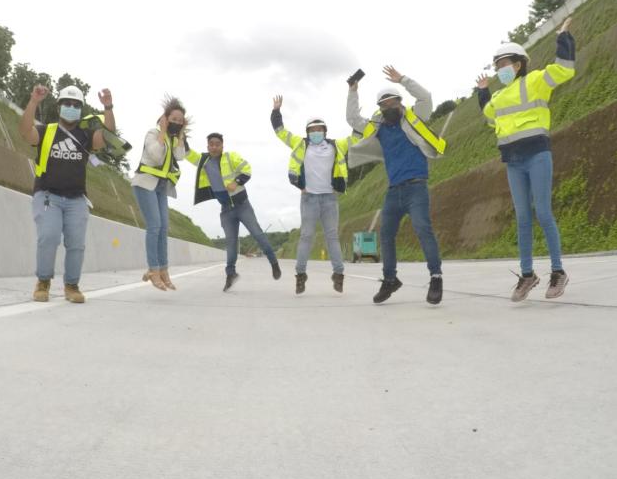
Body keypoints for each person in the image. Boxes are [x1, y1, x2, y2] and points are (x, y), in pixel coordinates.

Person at [476, 17, 577, 302]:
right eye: (497, 66)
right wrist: (483, 91)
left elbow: (564, 70)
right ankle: (528, 275)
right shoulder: (499, 96)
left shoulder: (535, 82)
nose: (500, 69)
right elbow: (488, 113)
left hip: (537, 155)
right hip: (513, 162)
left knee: (543, 213)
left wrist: (563, 37)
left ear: (519, 64)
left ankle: (558, 271)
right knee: (522, 218)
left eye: (504, 64)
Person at [347, 67, 446, 305]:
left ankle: (436, 277)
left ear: (400, 103)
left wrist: (402, 79)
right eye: (383, 105)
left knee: (423, 229)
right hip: (394, 191)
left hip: (416, 187)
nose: (388, 108)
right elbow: (353, 119)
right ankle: (390, 279)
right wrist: (352, 91)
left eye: (392, 103)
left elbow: (425, 97)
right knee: (386, 235)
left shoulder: (414, 118)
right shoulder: (378, 128)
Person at [19, 84, 115, 304]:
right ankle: (43, 281)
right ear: (59, 106)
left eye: (76, 105)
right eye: (67, 104)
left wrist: (108, 107)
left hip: (77, 199)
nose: (71, 107)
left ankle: (72, 286)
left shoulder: (86, 136)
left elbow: (108, 135)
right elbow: (25, 131)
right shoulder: (46, 131)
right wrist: (33, 102)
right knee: (49, 237)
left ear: (80, 109)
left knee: (77, 244)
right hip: (48, 196)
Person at [270, 95, 354, 295]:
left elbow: (358, 137)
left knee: (332, 237)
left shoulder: (336, 145)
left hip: (330, 198)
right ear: (308, 132)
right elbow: (280, 132)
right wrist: (276, 111)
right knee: (306, 236)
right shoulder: (300, 144)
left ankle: (339, 274)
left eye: (319, 129)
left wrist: (361, 117)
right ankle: (300, 276)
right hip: (309, 198)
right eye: (312, 130)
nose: (316, 132)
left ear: (325, 131)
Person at [186, 133, 282, 291]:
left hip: (242, 205)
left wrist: (236, 182)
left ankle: (274, 262)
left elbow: (247, 169)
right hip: (226, 209)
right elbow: (187, 153)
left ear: (222, 146)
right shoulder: (204, 161)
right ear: (208, 146)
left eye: (217, 144)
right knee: (230, 244)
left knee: (258, 234)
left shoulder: (230, 157)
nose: (214, 147)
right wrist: (181, 135)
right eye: (211, 144)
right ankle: (230, 274)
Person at [131, 96, 189, 291]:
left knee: (164, 228)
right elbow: (156, 156)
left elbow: (180, 156)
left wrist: (181, 133)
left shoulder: (174, 140)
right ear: (165, 118)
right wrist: (163, 131)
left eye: (180, 121)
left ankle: (164, 271)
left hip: (161, 187)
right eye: (173, 119)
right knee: (154, 225)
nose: (177, 123)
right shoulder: (153, 133)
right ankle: (153, 270)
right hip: (144, 184)